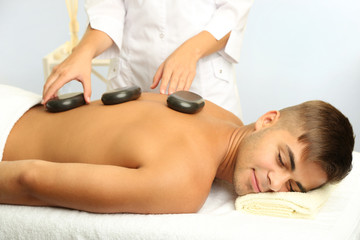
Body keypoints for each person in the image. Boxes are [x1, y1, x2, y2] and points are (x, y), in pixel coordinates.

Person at [0, 85, 354, 214]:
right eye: (282, 160)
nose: (276, 185)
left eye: (293, 188)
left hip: (17, 99)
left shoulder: (222, 115)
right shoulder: (183, 185)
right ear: (266, 120)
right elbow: (32, 179)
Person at [42, 0, 254, 117]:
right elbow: (108, 11)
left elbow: (233, 12)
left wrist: (191, 51)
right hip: (133, 78)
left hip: (204, 84)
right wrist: (83, 53)